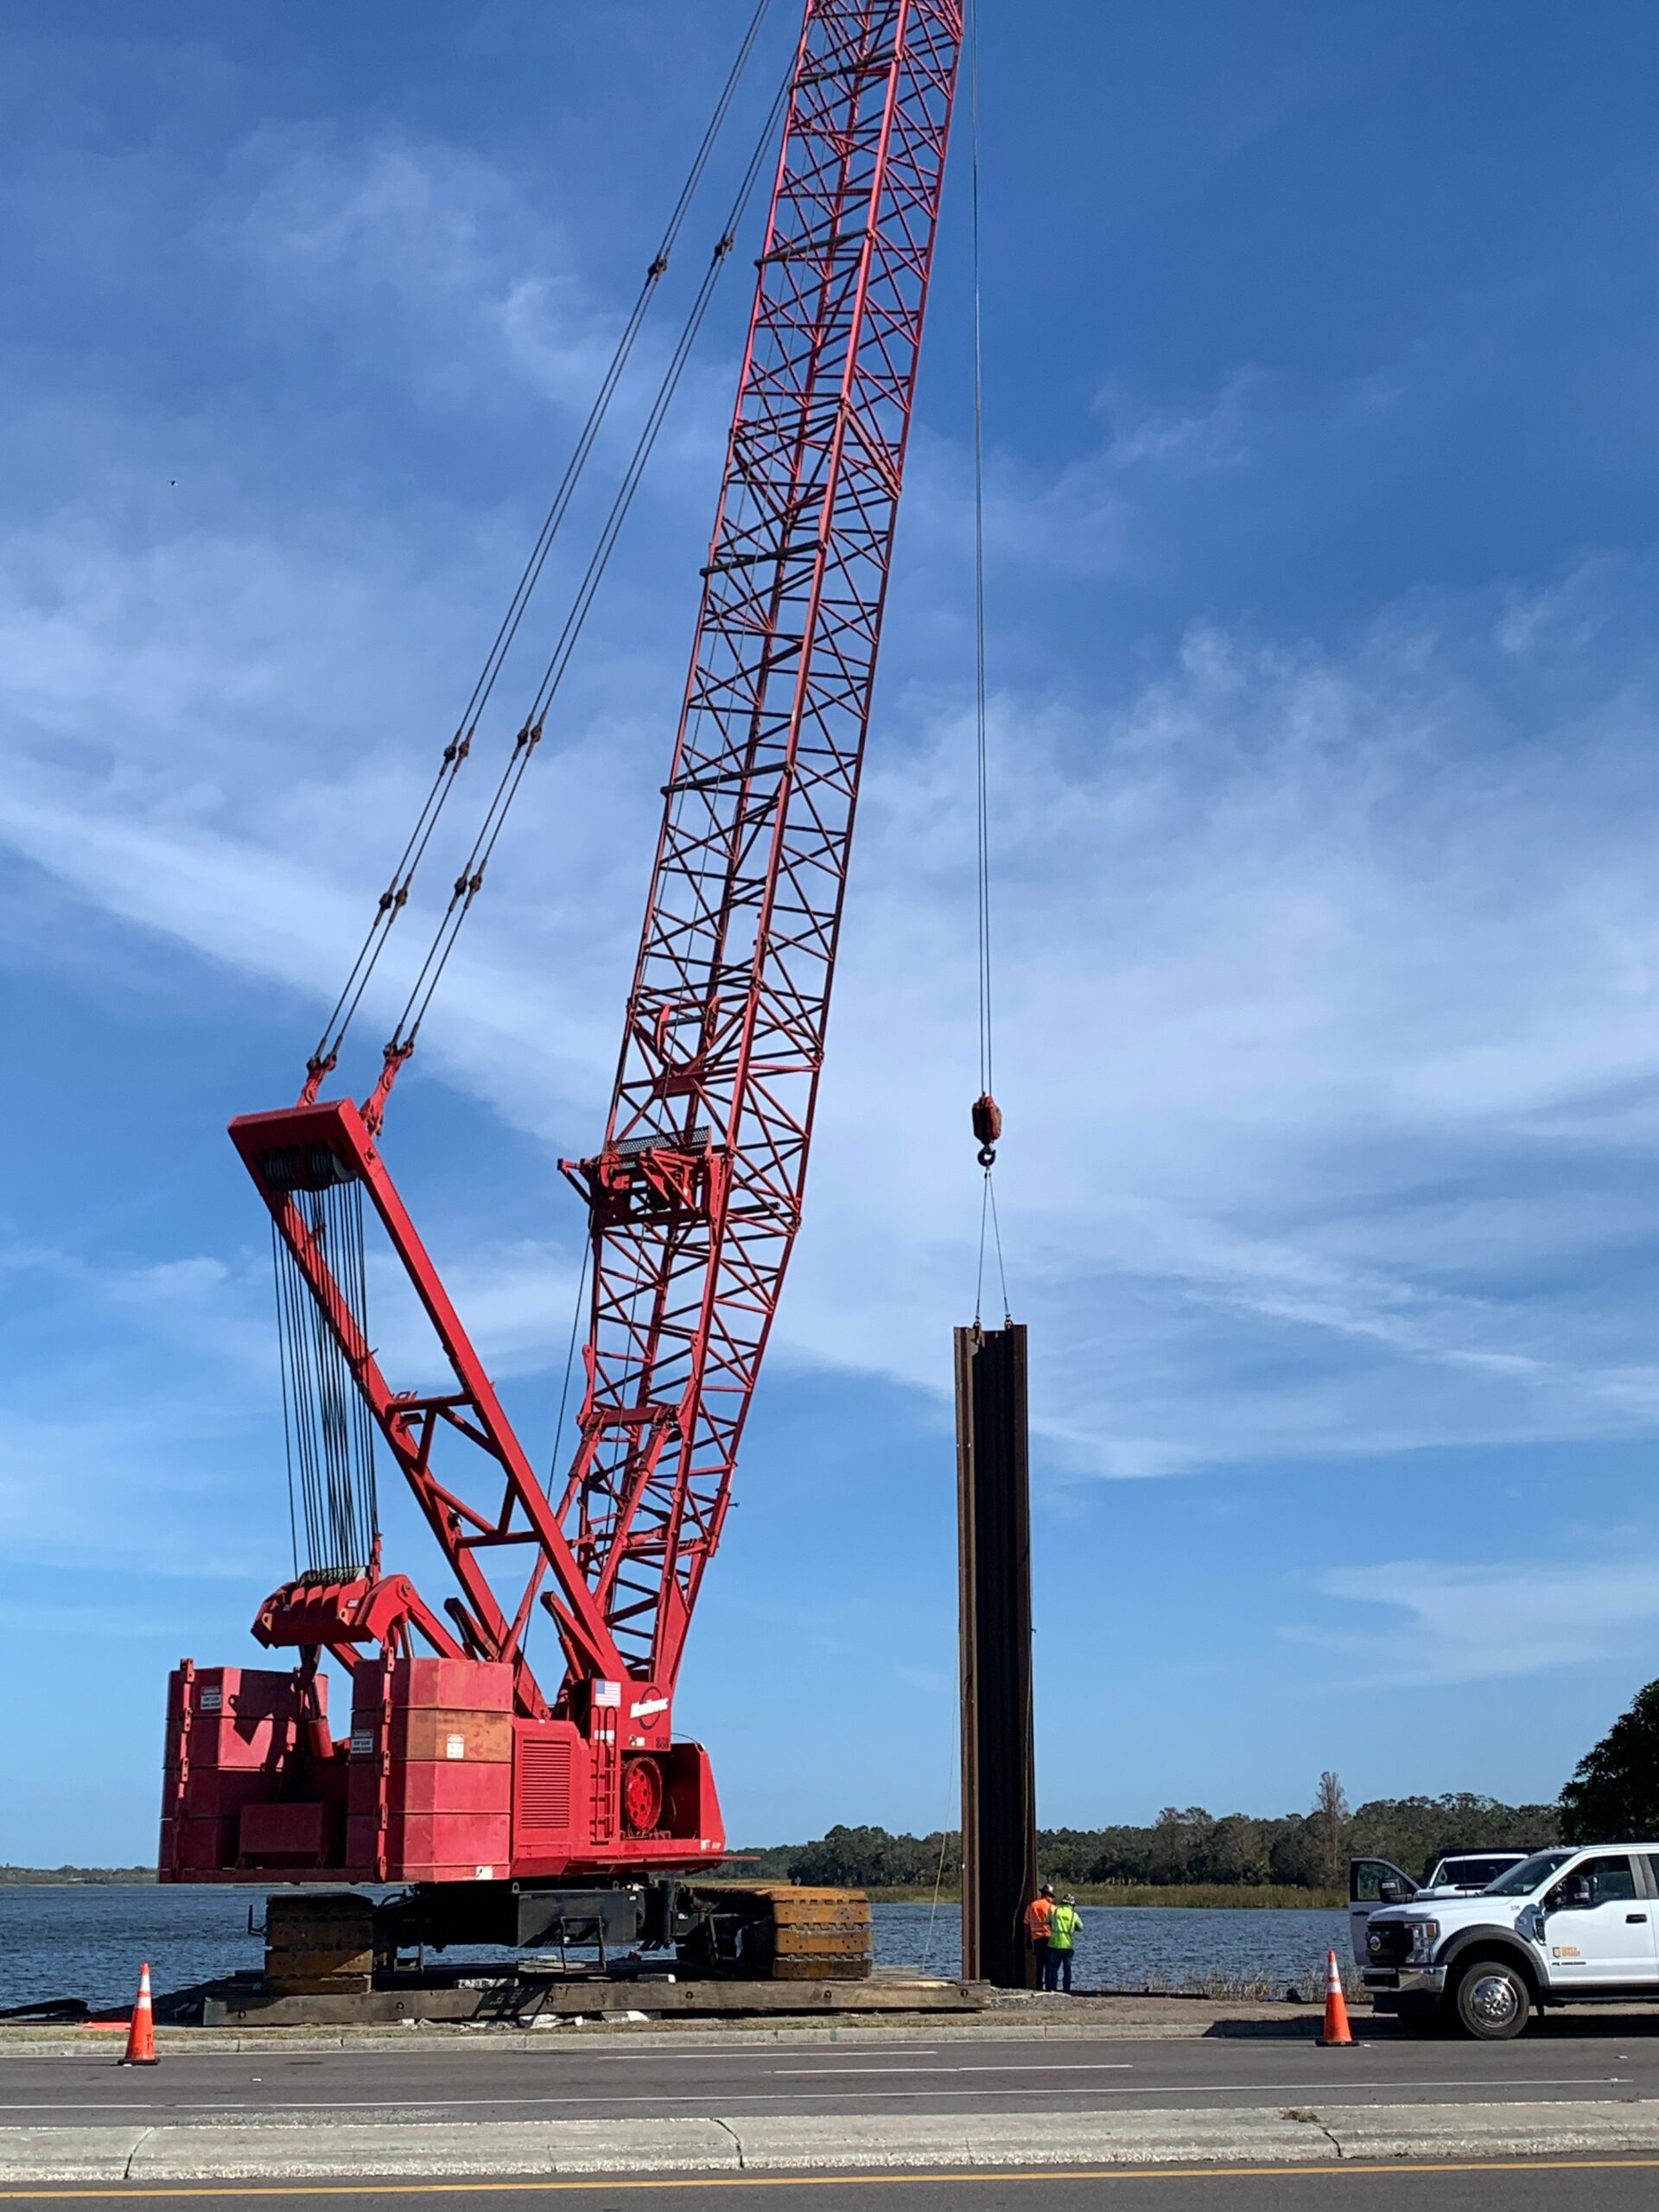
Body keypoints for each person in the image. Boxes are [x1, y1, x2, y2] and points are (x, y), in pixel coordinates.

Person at [1046, 1892, 1082, 1993]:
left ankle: (1052, 1988)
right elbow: (1080, 1927)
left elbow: (1047, 1921)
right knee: (1067, 1969)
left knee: (1053, 1969)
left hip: (1055, 1944)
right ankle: (1067, 1989)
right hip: (1068, 1946)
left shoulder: (1055, 1912)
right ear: (1072, 1905)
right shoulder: (1074, 1915)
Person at [1023, 1882, 1055, 1987]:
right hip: (1048, 1938)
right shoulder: (1051, 1907)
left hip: (1036, 1938)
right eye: (1051, 1896)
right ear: (1047, 1895)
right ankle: (1049, 1986)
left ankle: (1038, 1985)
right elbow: (1055, 1924)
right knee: (1049, 1964)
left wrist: (1028, 1938)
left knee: (1039, 1963)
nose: (1052, 1899)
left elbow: (1026, 1923)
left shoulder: (1032, 1906)